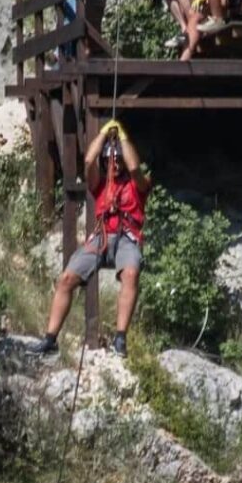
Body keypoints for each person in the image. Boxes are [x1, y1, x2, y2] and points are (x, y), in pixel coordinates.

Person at [36, 119, 150, 358]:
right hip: (102, 236)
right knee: (67, 278)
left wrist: (123, 138)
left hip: (127, 237)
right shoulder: (99, 185)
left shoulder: (138, 185)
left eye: (117, 160)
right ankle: (50, 338)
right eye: (111, 160)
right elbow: (88, 161)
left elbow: (135, 168)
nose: (115, 164)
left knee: (130, 273)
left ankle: (120, 338)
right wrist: (102, 134)